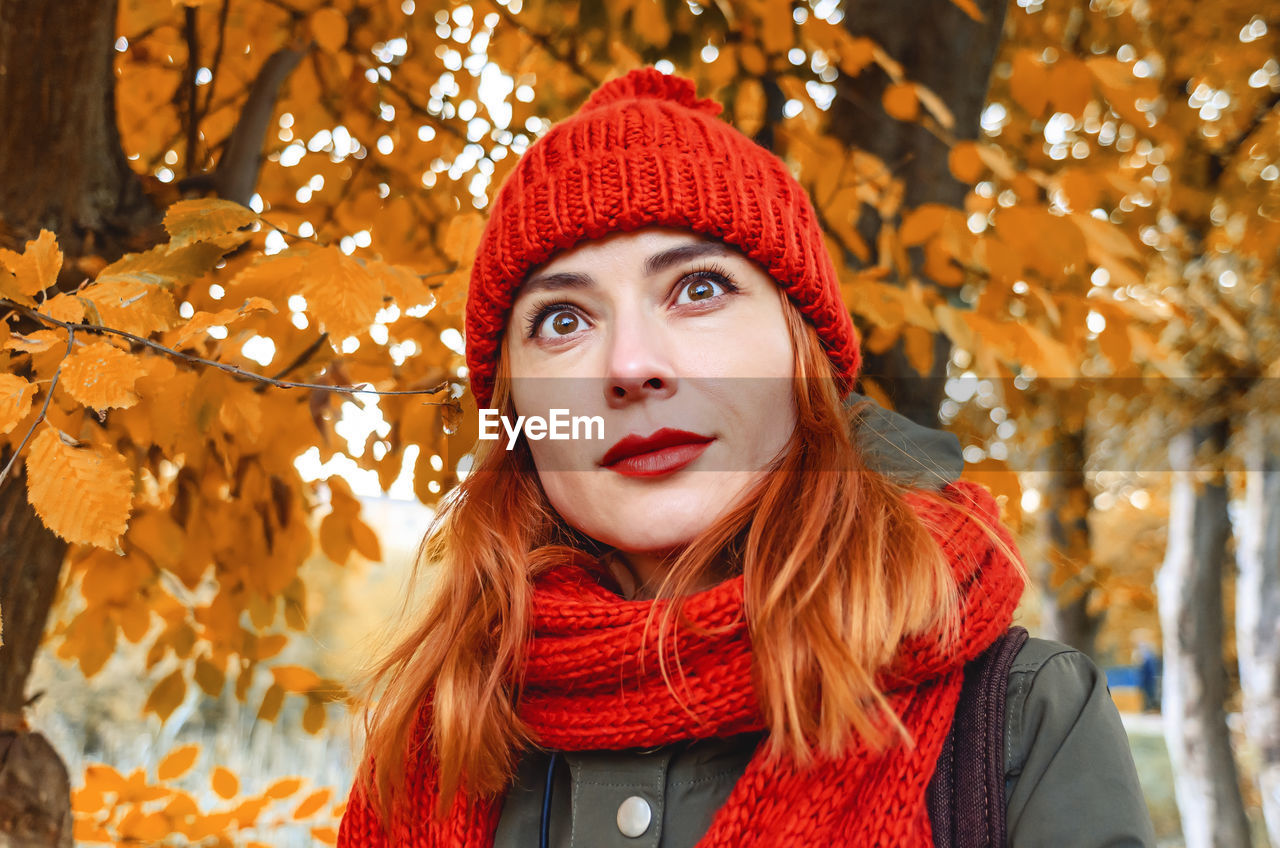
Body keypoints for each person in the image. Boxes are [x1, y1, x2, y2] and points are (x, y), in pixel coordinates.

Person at [336, 67, 1155, 846]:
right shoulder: (431, 750)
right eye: (562, 320)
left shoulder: (1020, 721)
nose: (630, 367)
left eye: (697, 289)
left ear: (803, 359)